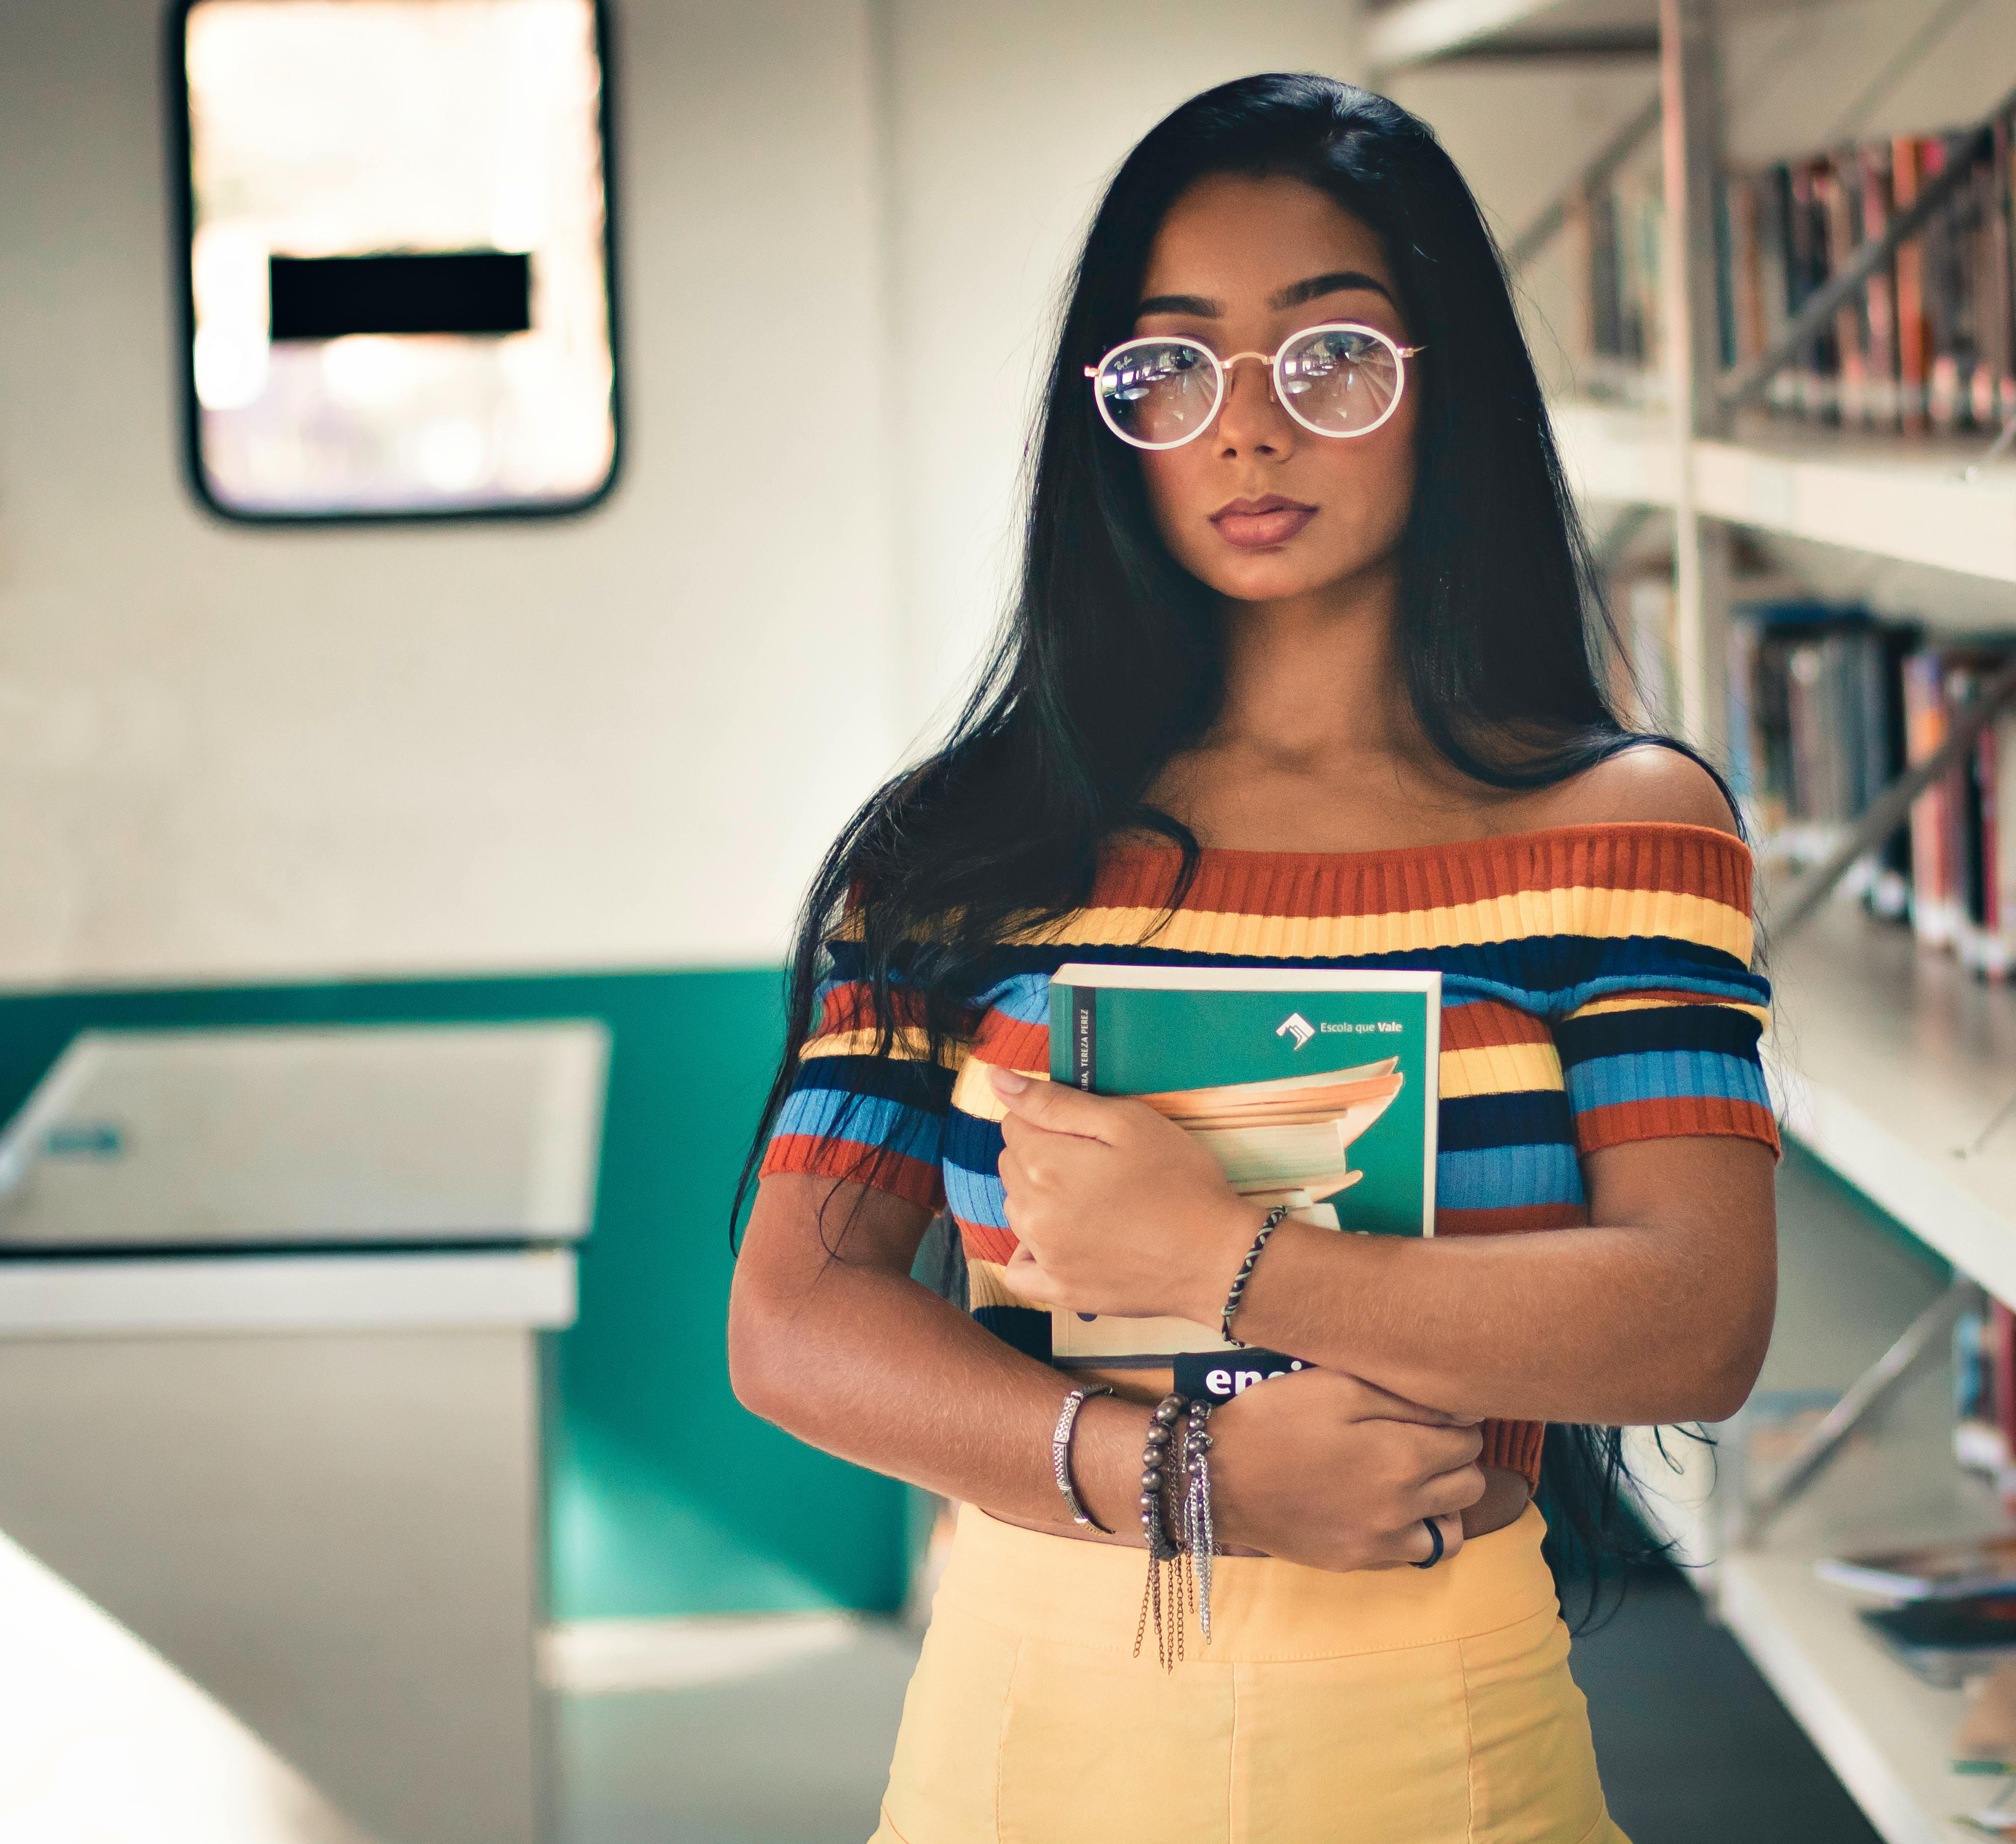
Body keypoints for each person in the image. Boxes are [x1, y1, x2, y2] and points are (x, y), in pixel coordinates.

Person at [729, 71, 1780, 1844]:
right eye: (1173, 369)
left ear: (1445, 389)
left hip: (1446, 1734)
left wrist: (1230, 1262)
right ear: (1109, 420)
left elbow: (1698, 1321)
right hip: (1030, 1736)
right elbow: (792, 1318)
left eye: (1332, 356)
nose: (1248, 432)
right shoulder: (962, 852)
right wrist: (1184, 1477)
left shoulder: (1627, 825)